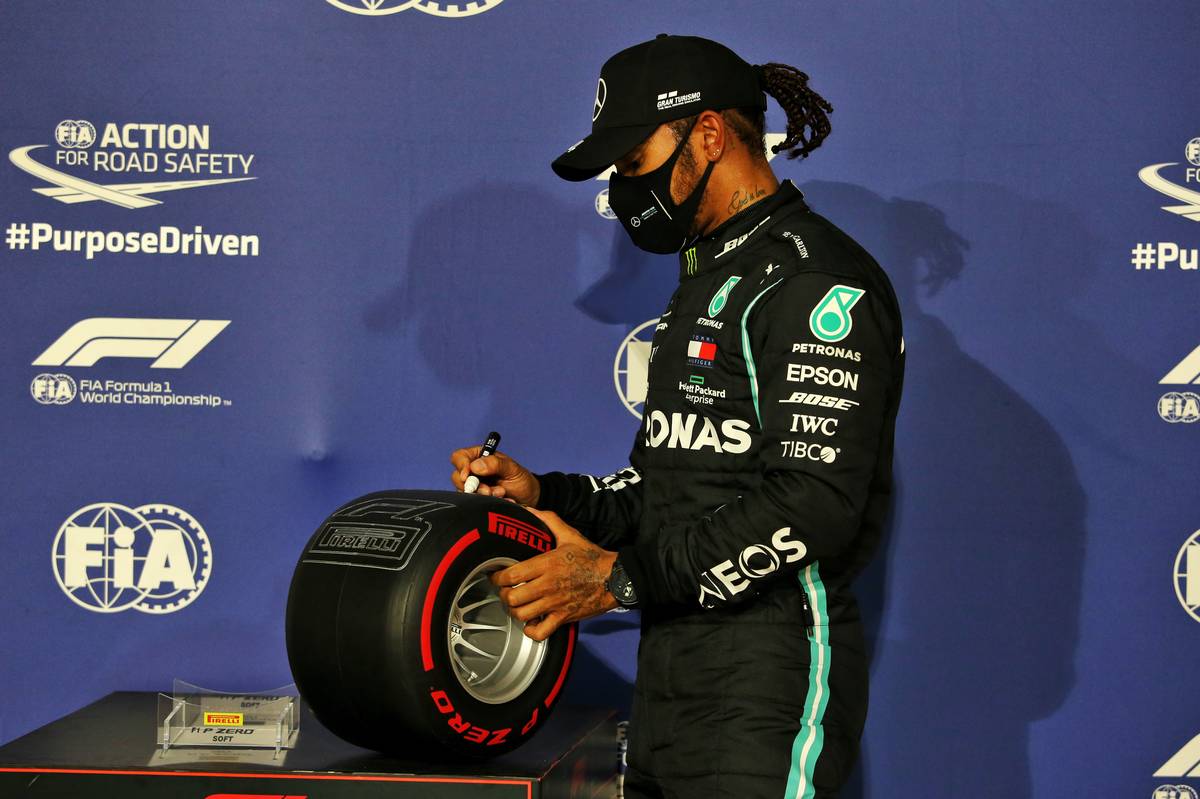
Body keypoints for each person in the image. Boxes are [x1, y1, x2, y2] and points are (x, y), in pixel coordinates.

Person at [451, 33, 904, 799]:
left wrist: (619, 580)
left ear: (709, 134)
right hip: (670, 680)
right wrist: (547, 498)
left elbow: (814, 503)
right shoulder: (707, 276)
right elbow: (670, 486)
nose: (625, 189)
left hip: (768, 680)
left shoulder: (814, 280)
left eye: (632, 161)